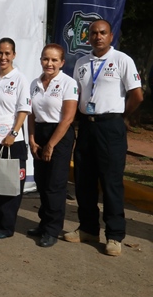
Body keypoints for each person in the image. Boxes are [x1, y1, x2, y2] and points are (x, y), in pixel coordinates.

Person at [67, 20, 143, 256]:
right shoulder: (81, 62)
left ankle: (115, 235)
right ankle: (88, 229)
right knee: (84, 181)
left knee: (111, 182)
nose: (98, 36)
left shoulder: (122, 60)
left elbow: (137, 95)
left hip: (110, 126)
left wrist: (121, 116)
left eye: (102, 33)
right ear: (88, 37)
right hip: (86, 127)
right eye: (93, 33)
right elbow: (76, 94)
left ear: (111, 36)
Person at [27, 44, 78, 248]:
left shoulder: (68, 83)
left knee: (54, 185)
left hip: (59, 135)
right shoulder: (35, 83)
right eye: (46, 59)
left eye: (54, 60)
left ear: (62, 62)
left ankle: (52, 230)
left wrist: (50, 145)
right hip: (40, 132)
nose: (49, 63)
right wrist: (32, 139)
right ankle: (43, 223)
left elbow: (68, 119)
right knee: (42, 182)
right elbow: (31, 114)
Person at [0, 38, 31, 239]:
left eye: (7, 53)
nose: (3, 57)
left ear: (14, 55)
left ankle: (6, 226)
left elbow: (23, 110)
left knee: (10, 185)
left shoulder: (20, 79)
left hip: (12, 141)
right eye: (0, 53)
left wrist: (14, 133)